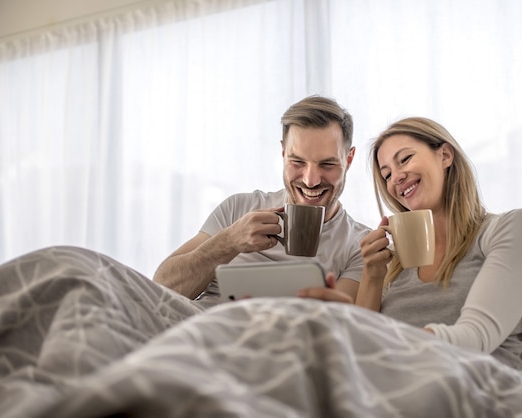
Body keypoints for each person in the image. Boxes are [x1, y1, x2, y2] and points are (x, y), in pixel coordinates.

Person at [301, 116, 522, 373]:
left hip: (484, 392)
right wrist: (372, 277)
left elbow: (476, 337)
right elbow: (359, 356)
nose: (396, 178)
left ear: (446, 155)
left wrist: (388, 349)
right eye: (386, 175)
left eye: (405, 159)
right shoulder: (394, 263)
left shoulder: (512, 228)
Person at [153, 95, 370, 303]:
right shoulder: (238, 208)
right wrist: (228, 242)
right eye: (297, 162)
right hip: (198, 327)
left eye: (327, 164)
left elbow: (337, 322)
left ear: (348, 159)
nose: (310, 180)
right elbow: (161, 289)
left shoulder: (360, 244)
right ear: (283, 153)